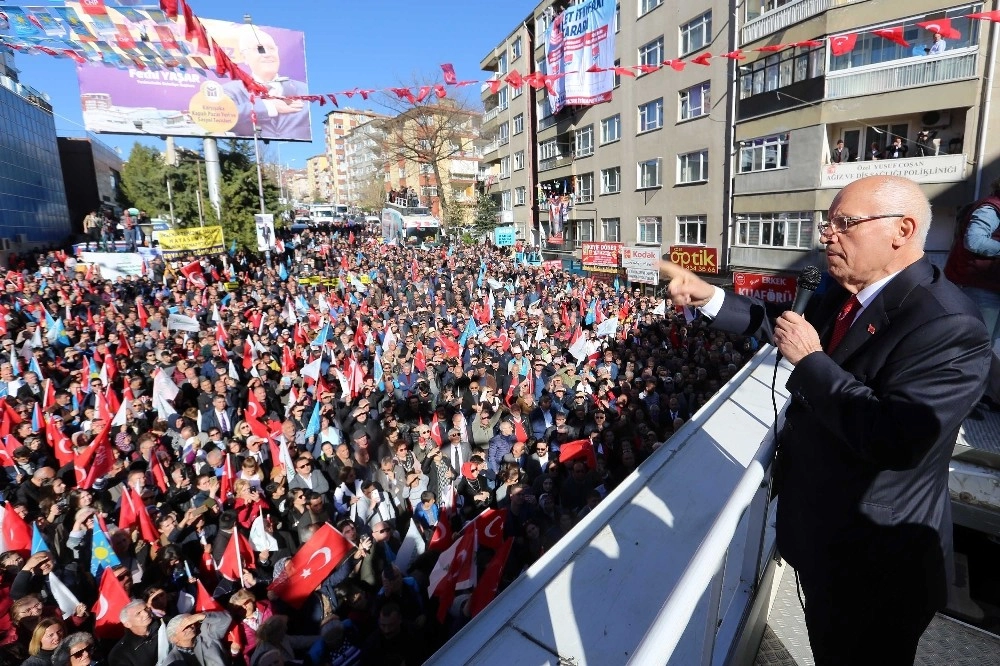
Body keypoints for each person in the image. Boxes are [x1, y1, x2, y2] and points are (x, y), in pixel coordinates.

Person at [659, 175, 991, 664]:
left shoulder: (949, 324)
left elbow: (897, 439)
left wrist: (812, 362)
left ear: (901, 230)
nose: (826, 234)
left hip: (877, 566)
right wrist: (709, 297)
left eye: (845, 223)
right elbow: (785, 327)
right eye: (828, 222)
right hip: (823, 543)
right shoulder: (844, 290)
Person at [944, 176, 1000, 409]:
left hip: (991, 287)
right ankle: (964, 400)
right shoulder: (991, 208)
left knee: (986, 346)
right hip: (979, 286)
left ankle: (980, 396)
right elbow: (974, 241)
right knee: (975, 345)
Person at [223, 25, 310, 141]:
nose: (267, 54)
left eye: (271, 48)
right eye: (259, 49)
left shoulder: (302, 90)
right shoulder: (231, 90)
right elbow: (222, 116)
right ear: (244, 57)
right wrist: (269, 106)